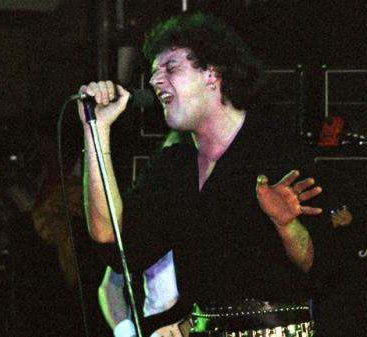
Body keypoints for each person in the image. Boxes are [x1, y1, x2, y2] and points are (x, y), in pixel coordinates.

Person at [78, 12, 334, 337]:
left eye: (170, 68)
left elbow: (321, 267)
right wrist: (95, 130)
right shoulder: (174, 168)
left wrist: (286, 225)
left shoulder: (278, 151)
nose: (156, 81)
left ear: (212, 73)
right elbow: (111, 237)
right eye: (153, 73)